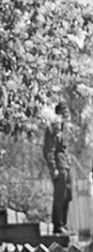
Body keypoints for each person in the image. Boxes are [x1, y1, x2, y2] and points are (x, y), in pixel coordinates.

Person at [43, 101, 72, 235]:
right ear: (59, 113)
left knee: (68, 195)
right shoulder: (53, 128)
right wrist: (53, 167)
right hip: (59, 166)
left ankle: (63, 225)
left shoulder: (64, 129)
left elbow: (65, 149)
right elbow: (49, 150)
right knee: (59, 196)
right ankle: (57, 226)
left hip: (66, 165)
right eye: (64, 112)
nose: (67, 115)